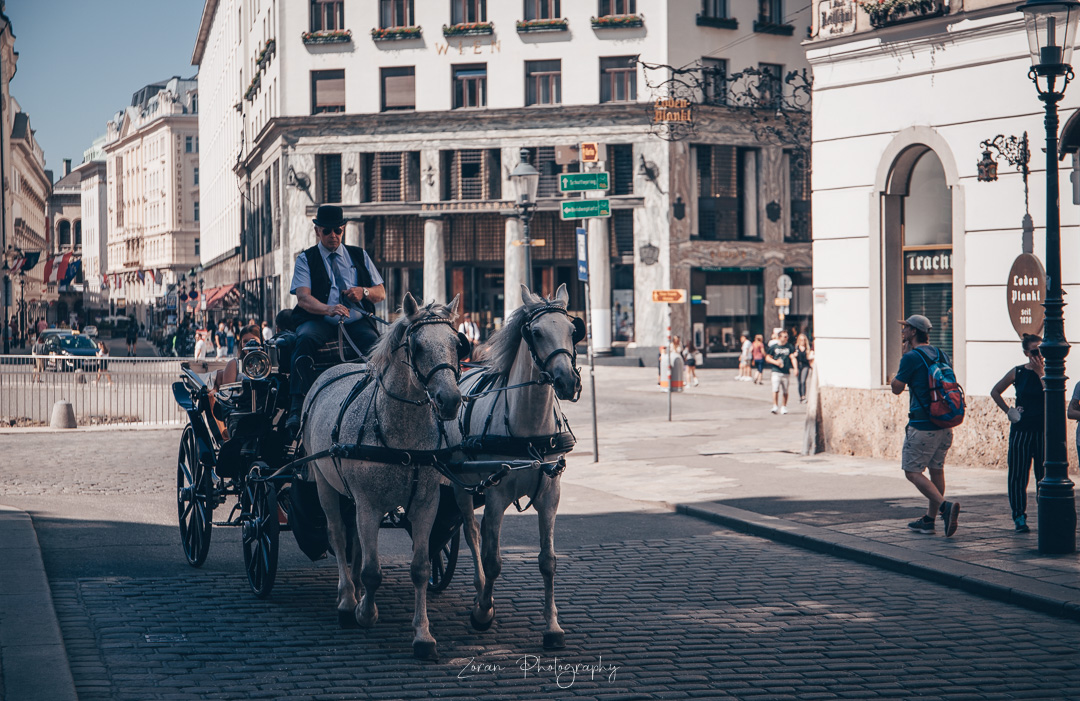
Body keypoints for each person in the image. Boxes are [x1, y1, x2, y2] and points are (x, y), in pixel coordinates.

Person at [285, 204, 386, 434]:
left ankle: (378, 399)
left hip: (355, 320)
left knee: (376, 346)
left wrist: (364, 292)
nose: (333, 236)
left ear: (344, 229)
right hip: (319, 319)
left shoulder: (359, 254)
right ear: (317, 231)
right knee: (304, 340)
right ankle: (297, 404)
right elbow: (303, 298)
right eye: (327, 231)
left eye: (337, 231)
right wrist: (328, 309)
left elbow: (380, 292)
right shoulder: (306, 259)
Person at [891, 314, 960, 537]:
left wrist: (902, 360)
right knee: (936, 469)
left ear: (913, 332)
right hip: (944, 423)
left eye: (906, 328)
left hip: (922, 425)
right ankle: (929, 521)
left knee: (912, 472)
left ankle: (944, 507)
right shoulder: (941, 353)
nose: (903, 332)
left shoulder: (911, 357)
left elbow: (896, 388)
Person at [991, 334, 1045, 534]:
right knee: (1018, 475)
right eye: (1035, 351)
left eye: (1041, 350)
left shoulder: (1049, 371)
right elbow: (995, 391)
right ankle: (1019, 516)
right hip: (1022, 429)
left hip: (1042, 430)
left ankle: (1046, 512)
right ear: (1026, 353)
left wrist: (1041, 372)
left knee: (1044, 475)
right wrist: (1009, 411)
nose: (1039, 355)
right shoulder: (1018, 372)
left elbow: (1050, 393)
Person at [766, 330, 797, 414]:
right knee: (775, 389)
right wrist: (776, 362)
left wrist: (795, 368)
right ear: (780, 337)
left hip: (786, 371)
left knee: (785, 390)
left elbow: (792, 357)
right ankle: (775, 406)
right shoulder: (774, 347)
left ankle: (784, 406)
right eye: (785, 336)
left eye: (787, 336)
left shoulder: (789, 347)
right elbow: (768, 357)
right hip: (776, 371)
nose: (787, 338)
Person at [795, 334, 814, 403]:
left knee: (803, 381)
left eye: (803, 340)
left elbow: (809, 358)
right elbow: (793, 357)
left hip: (805, 366)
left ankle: (803, 396)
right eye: (801, 340)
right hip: (798, 366)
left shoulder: (807, 349)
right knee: (799, 382)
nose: (802, 341)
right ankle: (800, 396)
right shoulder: (796, 348)